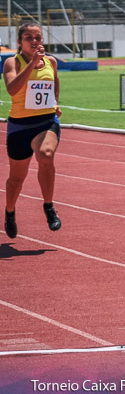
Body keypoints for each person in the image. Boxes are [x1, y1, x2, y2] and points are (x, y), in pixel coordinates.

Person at [3, 22, 63, 238]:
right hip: (19, 126)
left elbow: (54, 81)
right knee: (16, 179)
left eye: (38, 37)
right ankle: (10, 211)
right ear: (20, 42)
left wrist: (55, 102)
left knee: (45, 154)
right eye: (29, 37)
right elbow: (12, 88)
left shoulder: (51, 62)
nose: (34, 41)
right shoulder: (12, 62)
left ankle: (48, 206)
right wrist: (32, 64)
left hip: (45, 122)